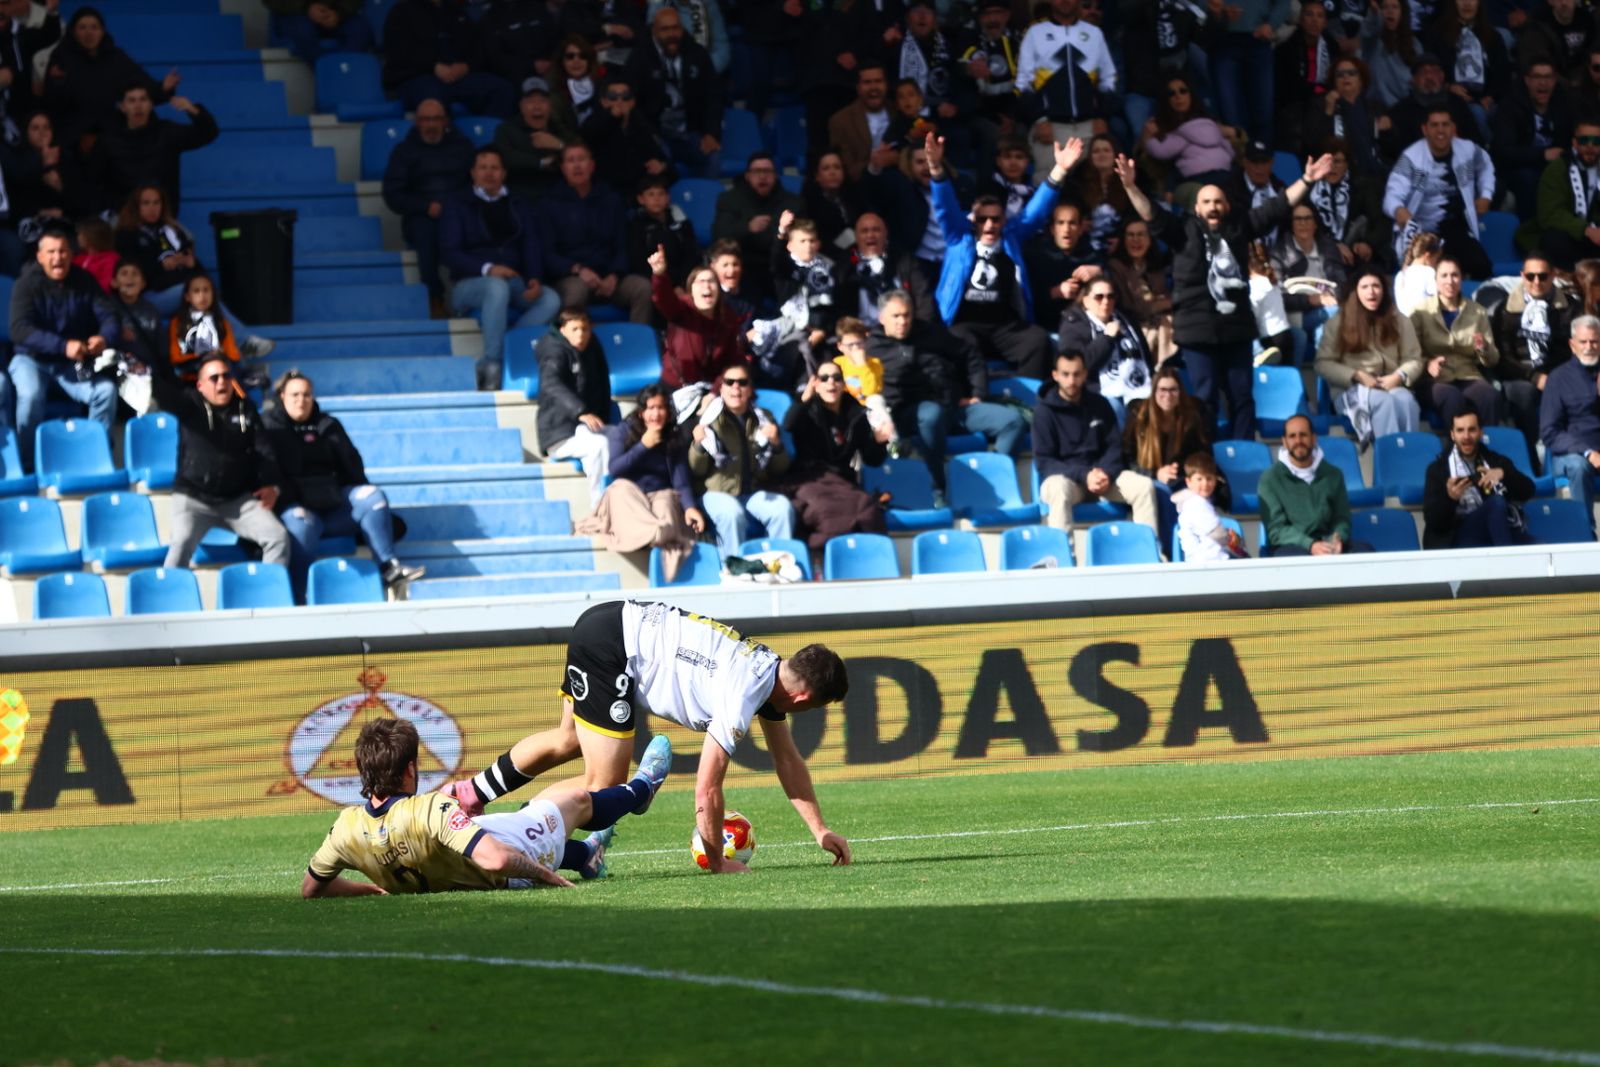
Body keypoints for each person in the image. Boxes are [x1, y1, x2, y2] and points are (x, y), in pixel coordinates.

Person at [447, 600, 854, 874]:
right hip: (614, 647)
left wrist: (820, 830)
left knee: (567, 739)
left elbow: (787, 760)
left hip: (604, 621)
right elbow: (707, 787)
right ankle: (519, 826)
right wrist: (716, 860)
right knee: (603, 782)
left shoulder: (766, 668)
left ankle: (470, 795)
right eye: (815, 707)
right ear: (802, 696)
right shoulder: (743, 691)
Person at [302, 718, 671, 897]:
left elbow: (311, 889)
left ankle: (586, 855)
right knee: (571, 802)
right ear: (410, 768)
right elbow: (496, 859)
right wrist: (544, 875)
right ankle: (643, 788)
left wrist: (368, 889)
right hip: (508, 869)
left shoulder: (345, 827)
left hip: (454, 862)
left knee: (528, 811)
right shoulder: (430, 810)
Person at [1123, 148, 1336, 441]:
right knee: (1204, 399)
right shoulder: (1181, 229)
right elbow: (1150, 213)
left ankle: (1244, 454)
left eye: (1218, 202)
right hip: (1197, 331)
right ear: (1196, 208)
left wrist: (1308, 180)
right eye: (1206, 202)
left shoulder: (1239, 227)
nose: (1213, 207)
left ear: (1226, 205)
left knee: (1243, 398)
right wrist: (1130, 186)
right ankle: (1206, 458)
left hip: (1236, 330)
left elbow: (1278, 206)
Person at [925, 131, 1077, 381]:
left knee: (1037, 340)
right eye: (982, 219)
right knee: (960, 340)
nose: (989, 225)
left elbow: (1035, 214)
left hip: (1004, 327)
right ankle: (973, 400)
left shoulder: (1011, 238)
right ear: (972, 220)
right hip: (966, 324)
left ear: (1004, 221)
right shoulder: (959, 238)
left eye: (995, 219)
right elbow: (945, 207)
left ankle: (1028, 403)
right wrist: (935, 167)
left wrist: (1059, 171)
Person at [261, 370, 424, 599]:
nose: (301, 400)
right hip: (298, 510)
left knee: (372, 496)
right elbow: (267, 474)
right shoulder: (268, 427)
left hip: (333, 507)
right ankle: (297, 595)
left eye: (307, 395)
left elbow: (353, 469)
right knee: (301, 524)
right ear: (281, 396)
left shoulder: (328, 425)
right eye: (295, 395)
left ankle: (389, 568)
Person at [867, 289, 1024, 495]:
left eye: (907, 315)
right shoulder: (872, 348)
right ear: (881, 318)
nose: (902, 321)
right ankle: (938, 486)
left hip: (953, 408)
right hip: (911, 416)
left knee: (1013, 421)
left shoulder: (931, 333)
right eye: (895, 316)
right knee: (931, 414)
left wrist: (978, 394)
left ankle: (989, 477)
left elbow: (970, 355)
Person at [152, 353, 291, 570]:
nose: (221, 382)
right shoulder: (189, 404)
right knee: (180, 544)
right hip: (194, 499)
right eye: (214, 378)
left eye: (226, 376)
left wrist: (271, 484)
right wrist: (146, 372)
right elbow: (164, 394)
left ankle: (269, 597)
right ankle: (170, 602)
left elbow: (264, 451)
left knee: (278, 536)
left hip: (238, 501)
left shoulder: (247, 409)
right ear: (200, 385)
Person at [440, 145, 560, 390]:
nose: (489, 173)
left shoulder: (518, 204)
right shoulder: (456, 204)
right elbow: (449, 253)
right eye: (483, 168)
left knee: (550, 299)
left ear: (504, 173)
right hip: (469, 284)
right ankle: (492, 364)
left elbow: (531, 244)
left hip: (514, 281)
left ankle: (508, 346)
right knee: (496, 287)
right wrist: (488, 268)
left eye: (494, 167)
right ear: (473, 173)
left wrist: (534, 278)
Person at [7, 228, 118, 470]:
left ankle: (93, 459)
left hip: (71, 364)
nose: (58, 257)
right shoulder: (25, 284)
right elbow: (19, 330)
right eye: (51, 252)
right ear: (40, 256)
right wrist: (62, 345)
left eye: (63, 251)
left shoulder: (84, 280)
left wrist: (103, 338)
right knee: (31, 395)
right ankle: (27, 466)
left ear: (70, 254)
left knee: (105, 392)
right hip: (30, 360)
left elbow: (109, 316)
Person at [576, 382, 706, 582]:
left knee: (668, 500)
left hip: (659, 494)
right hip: (631, 496)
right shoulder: (623, 432)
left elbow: (681, 481)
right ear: (641, 412)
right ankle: (657, 531)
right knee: (619, 490)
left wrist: (690, 507)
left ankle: (658, 531)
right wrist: (643, 445)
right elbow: (616, 469)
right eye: (651, 408)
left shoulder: (674, 436)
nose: (656, 414)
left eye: (661, 408)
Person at [1033, 349, 1160, 538]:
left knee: (1144, 487)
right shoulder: (1043, 412)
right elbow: (1045, 462)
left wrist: (1105, 473)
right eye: (1065, 374)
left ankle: (1150, 552)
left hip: (1103, 478)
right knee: (1057, 489)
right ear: (1055, 375)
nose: (1071, 381)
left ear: (1084, 374)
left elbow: (1114, 447)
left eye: (1076, 374)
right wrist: (1084, 475)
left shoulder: (1100, 404)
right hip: (1068, 480)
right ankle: (1064, 561)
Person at [782, 358, 891, 556]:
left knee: (867, 507)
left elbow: (872, 459)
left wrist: (880, 441)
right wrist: (804, 399)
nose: (831, 382)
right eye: (824, 378)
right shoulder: (808, 409)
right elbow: (789, 426)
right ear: (816, 384)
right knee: (828, 511)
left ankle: (876, 562)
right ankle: (818, 558)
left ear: (843, 383)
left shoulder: (856, 414)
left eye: (836, 378)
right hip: (809, 479)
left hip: (842, 480)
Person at [689, 366, 795, 560]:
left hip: (752, 493)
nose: (735, 387)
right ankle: (733, 572)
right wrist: (698, 445)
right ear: (721, 389)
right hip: (714, 493)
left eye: (742, 382)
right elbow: (696, 470)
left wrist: (776, 444)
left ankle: (780, 569)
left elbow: (779, 468)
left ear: (750, 389)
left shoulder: (764, 418)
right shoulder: (708, 419)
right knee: (732, 513)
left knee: (781, 508)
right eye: (729, 382)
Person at [539, 142, 652, 323]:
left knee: (642, 288)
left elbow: (622, 244)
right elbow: (547, 254)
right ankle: (577, 348)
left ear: (592, 165)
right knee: (576, 292)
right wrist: (578, 270)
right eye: (570, 161)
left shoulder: (610, 199)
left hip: (609, 276)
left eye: (582, 159)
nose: (577, 166)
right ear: (562, 168)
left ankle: (636, 345)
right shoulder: (550, 203)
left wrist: (614, 275)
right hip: (571, 277)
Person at [381, 99, 475, 316]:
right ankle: (435, 298)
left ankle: (471, 296)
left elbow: (475, 183)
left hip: (460, 211)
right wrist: (424, 206)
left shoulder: (463, 146)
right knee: (425, 233)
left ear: (445, 121)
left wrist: (455, 205)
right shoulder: (404, 151)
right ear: (417, 122)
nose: (431, 124)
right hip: (424, 216)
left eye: (435, 119)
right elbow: (393, 194)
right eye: (425, 119)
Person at [1382, 105, 1496, 278]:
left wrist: (1486, 195)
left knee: (1482, 267)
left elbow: (1486, 166)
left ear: (1453, 128)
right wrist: (1400, 211)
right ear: (1425, 129)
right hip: (1422, 232)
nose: (1440, 130)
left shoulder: (1468, 149)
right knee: (1425, 277)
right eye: (1434, 125)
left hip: (1457, 229)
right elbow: (1392, 195)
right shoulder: (1412, 157)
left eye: (1445, 124)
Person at [1315, 270, 1424, 443]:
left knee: (1407, 401)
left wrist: (1399, 376)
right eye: (1364, 287)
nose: (1371, 292)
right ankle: (1390, 459)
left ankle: (1409, 457)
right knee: (1384, 402)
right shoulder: (1338, 322)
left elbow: (1414, 359)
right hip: (1351, 389)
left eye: (1376, 286)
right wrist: (1356, 375)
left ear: (1384, 290)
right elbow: (1323, 363)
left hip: (1390, 385)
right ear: (1355, 292)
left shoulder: (1400, 320)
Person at [43, 8, 177, 149]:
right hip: (72, 139)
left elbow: (142, 88)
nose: (89, 32)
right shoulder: (61, 57)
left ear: (102, 31)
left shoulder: (116, 58)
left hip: (113, 137)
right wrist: (57, 83)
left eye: (94, 27)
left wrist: (163, 88)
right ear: (73, 32)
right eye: (82, 27)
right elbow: (51, 103)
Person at [1014, 0, 1117, 179]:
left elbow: (1109, 79)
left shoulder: (1094, 33)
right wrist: (1039, 119)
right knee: (1048, 186)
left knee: (1092, 185)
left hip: (1088, 127)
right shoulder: (1035, 33)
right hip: (1050, 128)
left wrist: (1102, 116)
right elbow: (1023, 83)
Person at [624, 5, 723, 178]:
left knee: (713, 157)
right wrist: (650, 138)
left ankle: (707, 203)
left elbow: (713, 96)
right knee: (658, 162)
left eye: (675, 28)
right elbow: (633, 104)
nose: (671, 34)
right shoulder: (639, 58)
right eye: (665, 29)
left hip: (691, 133)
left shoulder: (697, 53)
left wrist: (710, 133)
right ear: (654, 30)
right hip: (657, 134)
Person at [1492, 253, 1573, 465]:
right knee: (1523, 394)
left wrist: (1553, 377)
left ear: (1553, 275)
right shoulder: (1505, 310)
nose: (1536, 282)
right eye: (1530, 276)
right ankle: (1530, 461)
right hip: (1520, 374)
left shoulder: (1570, 308)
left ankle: (1569, 459)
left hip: (1558, 372)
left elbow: (1574, 349)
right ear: (1522, 276)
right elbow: (1503, 357)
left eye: (1543, 276)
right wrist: (1534, 376)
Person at [89, 82, 217, 214]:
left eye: (143, 99)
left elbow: (208, 133)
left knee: (184, 235)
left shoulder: (167, 133)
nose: (138, 106)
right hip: (122, 221)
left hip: (163, 219)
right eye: (131, 100)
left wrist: (193, 110)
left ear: (151, 104)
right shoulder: (108, 141)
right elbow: (93, 182)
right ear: (122, 107)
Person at [1258, 414, 1375, 556]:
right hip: (1292, 546)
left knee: (1365, 551)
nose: (1298, 441)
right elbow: (1276, 530)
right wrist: (1310, 545)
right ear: (1284, 442)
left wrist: (1337, 539)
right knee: (1297, 559)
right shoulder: (1270, 479)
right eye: (1292, 436)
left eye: (1303, 435)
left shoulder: (1333, 474)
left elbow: (1342, 518)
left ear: (1313, 438)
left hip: (1327, 542)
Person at [1422, 406, 1536, 548]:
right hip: (1457, 537)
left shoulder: (1496, 462)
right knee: (1496, 503)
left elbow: (1529, 490)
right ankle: (1507, 562)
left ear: (1481, 432)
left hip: (1494, 531)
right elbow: (1433, 522)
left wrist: (1504, 474)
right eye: (1460, 430)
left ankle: (1505, 556)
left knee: (1540, 548)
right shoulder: (1437, 469)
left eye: (1472, 430)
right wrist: (1450, 499)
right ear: (1452, 435)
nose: (1466, 436)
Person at [379, 0, 516, 117]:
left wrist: (466, 66)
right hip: (416, 79)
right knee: (434, 97)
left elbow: (477, 48)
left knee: (501, 89)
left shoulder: (456, 12)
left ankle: (490, 143)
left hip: (457, 79)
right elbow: (398, 53)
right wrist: (433, 66)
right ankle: (447, 146)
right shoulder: (401, 11)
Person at [1410, 255, 1501, 426]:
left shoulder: (1478, 312)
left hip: (1468, 374)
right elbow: (1410, 352)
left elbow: (1493, 359)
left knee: (1490, 396)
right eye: (1444, 276)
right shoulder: (1420, 312)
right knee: (1451, 397)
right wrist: (1427, 363)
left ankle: (1488, 449)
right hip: (1432, 380)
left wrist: (1484, 348)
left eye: (1454, 275)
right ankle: (1455, 449)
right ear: (1436, 281)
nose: (1449, 281)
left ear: (1461, 279)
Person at [1122, 365, 1227, 508]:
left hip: (1182, 480)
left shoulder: (1192, 416)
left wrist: (1182, 473)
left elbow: (1203, 453)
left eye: (1173, 390)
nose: (1168, 395)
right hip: (1147, 480)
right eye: (1162, 390)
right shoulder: (1139, 417)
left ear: (1180, 392)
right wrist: (1155, 474)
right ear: (1154, 392)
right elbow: (1127, 458)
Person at [536, 309, 614, 501]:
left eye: (585, 329)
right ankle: (600, 507)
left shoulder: (592, 345)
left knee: (614, 443)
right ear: (563, 330)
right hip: (558, 431)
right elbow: (551, 383)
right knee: (598, 445)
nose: (581, 334)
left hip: (586, 427)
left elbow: (602, 384)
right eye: (575, 329)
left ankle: (607, 505)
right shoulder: (553, 350)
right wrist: (581, 411)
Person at [1057, 276, 1154, 423]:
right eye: (1099, 297)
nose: (1105, 302)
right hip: (1099, 391)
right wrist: (1107, 338)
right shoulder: (1073, 325)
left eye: (1110, 296)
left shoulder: (1126, 320)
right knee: (1113, 410)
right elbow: (1078, 365)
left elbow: (1145, 356)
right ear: (1086, 301)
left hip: (1137, 386)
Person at [650, 245, 748, 389]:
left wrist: (714, 393)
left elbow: (732, 364)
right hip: (674, 387)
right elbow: (663, 299)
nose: (707, 286)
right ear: (691, 291)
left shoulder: (728, 319)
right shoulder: (682, 310)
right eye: (701, 282)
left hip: (710, 390)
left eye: (711, 282)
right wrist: (659, 275)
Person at [711, 151, 803, 302]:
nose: (762, 176)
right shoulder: (729, 199)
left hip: (781, 267)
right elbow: (719, 234)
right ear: (747, 175)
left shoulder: (793, 203)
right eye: (756, 171)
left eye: (767, 171)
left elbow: (800, 237)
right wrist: (747, 228)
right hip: (745, 266)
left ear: (776, 175)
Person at [1491, 59, 1573, 224]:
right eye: (1537, 77)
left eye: (1548, 77)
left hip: (1556, 164)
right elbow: (1502, 152)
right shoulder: (1510, 106)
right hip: (1518, 168)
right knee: (1528, 178)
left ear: (1555, 80)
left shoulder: (1564, 103)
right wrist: (1542, 155)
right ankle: (1530, 232)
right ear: (1527, 80)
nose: (1543, 82)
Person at [1539, 313, 1600, 519]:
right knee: (1579, 467)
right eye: (1583, 342)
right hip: (1571, 454)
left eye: (1594, 341)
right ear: (1572, 345)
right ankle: (1584, 532)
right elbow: (1549, 432)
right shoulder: (1558, 378)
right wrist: (1587, 452)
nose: (1589, 347)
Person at [166, 273, 270, 394]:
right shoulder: (177, 323)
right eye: (196, 291)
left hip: (220, 371)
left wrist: (219, 354)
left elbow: (233, 354)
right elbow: (176, 357)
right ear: (187, 296)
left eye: (206, 290)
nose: (202, 295)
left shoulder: (221, 322)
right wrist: (205, 357)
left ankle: (241, 396)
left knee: (230, 370)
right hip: (191, 373)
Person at [1270, 203, 1348, 362]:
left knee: (1323, 333)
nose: (1303, 223)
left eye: (1307, 218)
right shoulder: (1279, 253)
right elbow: (1276, 297)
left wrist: (1334, 295)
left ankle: (1324, 385)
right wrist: (1312, 300)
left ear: (1315, 223)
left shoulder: (1328, 248)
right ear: (1291, 224)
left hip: (1326, 310)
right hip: (1295, 315)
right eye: (1297, 219)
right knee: (1334, 314)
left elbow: (1342, 283)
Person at [579, 71, 676, 196]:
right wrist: (611, 116)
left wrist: (662, 166)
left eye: (625, 97)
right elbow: (589, 132)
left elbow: (665, 164)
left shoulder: (641, 126)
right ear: (603, 101)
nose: (619, 101)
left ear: (632, 102)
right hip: (608, 193)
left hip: (640, 194)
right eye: (613, 97)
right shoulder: (594, 122)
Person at [1527, 119, 1600, 271]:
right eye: (1584, 140)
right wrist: (1586, 230)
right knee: (1554, 240)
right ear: (1574, 143)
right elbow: (1550, 214)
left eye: (1596, 142)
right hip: (1571, 236)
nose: (1590, 147)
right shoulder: (1557, 169)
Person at [1023, 201, 1105, 330]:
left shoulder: (1093, 256)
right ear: (1052, 229)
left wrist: (1100, 273)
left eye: (1072, 223)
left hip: (1085, 328)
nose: (1066, 229)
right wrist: (1055, 292)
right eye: (1061, 223)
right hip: (1045, 327)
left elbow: (1113, 291)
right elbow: (1025, 297)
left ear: (1080, 228)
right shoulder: (1036, 255)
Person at [845, 211, 934, 326]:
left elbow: (924, 303)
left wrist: (918, 330)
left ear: (886, 233)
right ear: (856, 236)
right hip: (861, 335)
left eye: (876, 230)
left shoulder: (906, 262)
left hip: (903, 330)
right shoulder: (844, 269)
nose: (870, 235)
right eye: (864, 231)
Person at [493, 77, 574, 202]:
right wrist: (540, 162)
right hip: (520, 195)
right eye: (530, 101)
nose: (537, 106)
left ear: (550, 105)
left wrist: (559, 145)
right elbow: (505, 157)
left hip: (557, 195)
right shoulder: (507, 129)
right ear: (521, 106)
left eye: (542, 101)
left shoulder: (560, 129)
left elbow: (579, 155)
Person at [1107, 216, 1175, 365]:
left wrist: (1162, 304)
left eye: (1140, 235)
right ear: (1123, 240)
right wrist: (1164, 303)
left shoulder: (1155, 268)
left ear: (1150, 240)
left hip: (1159, 323)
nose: (1135, 240)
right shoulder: (1116, 266)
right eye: (1130, 235)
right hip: (1131, 325)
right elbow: (1134, 308)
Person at [832, 316, 898, 452]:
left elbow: (870, 392)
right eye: (850, 345)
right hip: (847, 409)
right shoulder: (837, 364)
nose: (856, 349)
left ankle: (892, 442)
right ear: (840, 346)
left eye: (859, 343)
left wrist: (862, 366)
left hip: (869, 409)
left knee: (876, 400)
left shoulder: (875, 364)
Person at [1173, 451, 1247, 561]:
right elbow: (1219, 534)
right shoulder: (1196, 503)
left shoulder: (1197, 502)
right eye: (1199, 479)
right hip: (1208, 561)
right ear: (1188, 481)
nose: (1205, 484)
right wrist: (1236, 541)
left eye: (1209, 478)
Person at [828, 63, 895, 183]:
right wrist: (873, 165)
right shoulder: (840, 121)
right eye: (867, 82)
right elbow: (845, 170)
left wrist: (898, 159)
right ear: (858, 87)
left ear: (886, 85)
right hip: (862, 188)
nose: (873, 87)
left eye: (878, 81)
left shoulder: (899, 111)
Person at [627, 174, 698, 286]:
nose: (657, 199)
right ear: (641, 199)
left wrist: (684, 283)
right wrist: (668, 285)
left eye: (661, 194)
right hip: (654, 282)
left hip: (685, 281)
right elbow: (638, 263)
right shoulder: (636, 227)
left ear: (668, 197)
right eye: (651, 194)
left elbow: (691, 255)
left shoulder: (682, 222)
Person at [267, 0, 374, 63]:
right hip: (296, 13)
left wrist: (340, 12)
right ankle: (327, 72)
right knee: (302, 31)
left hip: (335, 11)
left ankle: (344, 68)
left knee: (361, 29)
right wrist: (307, 7)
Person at [804, 149, 869, 252]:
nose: (832, 172)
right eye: (826, 168)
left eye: (837, 167)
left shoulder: (856, 198)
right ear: (817, 176)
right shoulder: (808, 206)